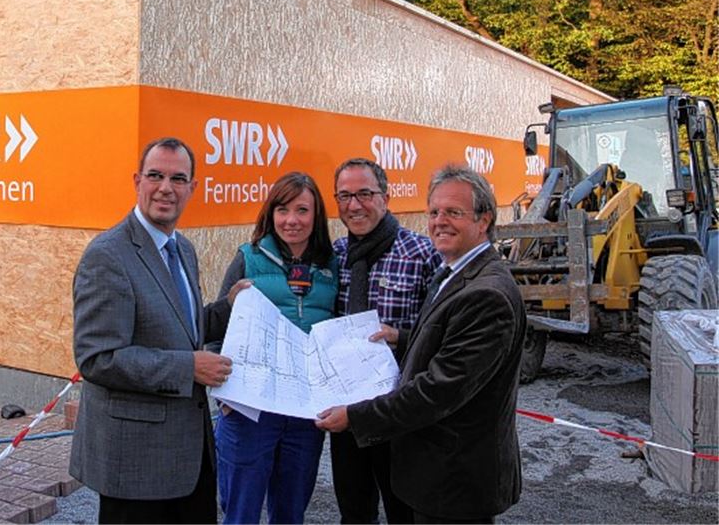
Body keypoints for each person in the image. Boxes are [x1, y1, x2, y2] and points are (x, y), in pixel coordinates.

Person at [316, 164, 526, 524]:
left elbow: (438, 390)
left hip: (451, 473)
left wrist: (355, 416)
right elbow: (448, 342)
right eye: (434, 212)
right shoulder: (458, 272)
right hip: (429, 459)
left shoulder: (486, 293)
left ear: (484, 219)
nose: (440, 221)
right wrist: (403, 337)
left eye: (454, 212)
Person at [70, 137, 250, 524]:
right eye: (155, 175)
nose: (166, 188)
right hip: (136, 465)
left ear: (193, 188)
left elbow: (179, 327)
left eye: (178, 178)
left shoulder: (182, 248)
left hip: (189, 456)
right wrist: (188, 368)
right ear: (137, 181)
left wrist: (227, 308)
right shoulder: (107, 255)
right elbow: (98, 358)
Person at [213, 172, 339, 525]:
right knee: (240, 514)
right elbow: (218, 325)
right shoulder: (248, 258)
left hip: (304, 411)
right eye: (283, 210)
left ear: (316, 215)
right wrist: (224, 396)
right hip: (250, 408)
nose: (292, 220)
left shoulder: (331, 264)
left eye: (302, 210)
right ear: (271, 213)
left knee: (290, 512)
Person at [329, 158, 439, 525]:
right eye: (344, 196)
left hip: (399, 413)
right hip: (349, 412)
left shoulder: (422, 254)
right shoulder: (335, 257)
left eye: (364, 194)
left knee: (403, 511)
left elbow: (443, 334)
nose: (354, 205)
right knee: (354, 512)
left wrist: (401, 337)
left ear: (386, 197)